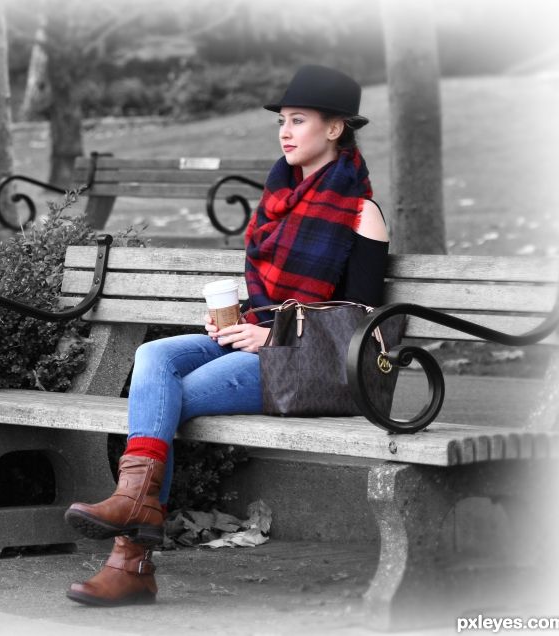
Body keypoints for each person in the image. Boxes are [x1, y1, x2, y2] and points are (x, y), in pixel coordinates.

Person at [63, 64, 390, 607]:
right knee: (154, 356)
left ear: (335, 129)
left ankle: (131, 555)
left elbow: (361, 319)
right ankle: (135, 512)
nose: (285, 131)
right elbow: (268, 295)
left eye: (299, 120)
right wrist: (233, 321)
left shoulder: (361, 213)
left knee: (172, 401)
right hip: (256, 337)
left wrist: (275, 339)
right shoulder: (277, 199)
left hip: (308, 364)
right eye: (282, 121)